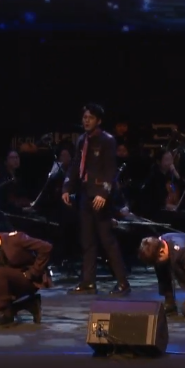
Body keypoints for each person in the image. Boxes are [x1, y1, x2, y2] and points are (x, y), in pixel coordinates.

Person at [62, 103, 131, 296]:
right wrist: (67, 187)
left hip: (100, 196)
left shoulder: (107, 140)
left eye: (90, 118)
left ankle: (123, 282)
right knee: (87, 240)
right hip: (84, 194)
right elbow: (75, 166)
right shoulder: (81, 140)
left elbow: (110, 170)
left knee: (107, 240)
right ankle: (88, 282)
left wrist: (104, 193)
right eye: (85, 117)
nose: (86, 121)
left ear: (98, 121)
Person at [0, 226, 53, 328]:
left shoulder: (15, 239)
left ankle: (7, 311)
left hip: (29, 280)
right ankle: (30, 304)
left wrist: (33, 272)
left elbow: (46, 247)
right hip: (6, 287)